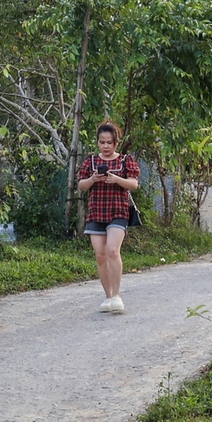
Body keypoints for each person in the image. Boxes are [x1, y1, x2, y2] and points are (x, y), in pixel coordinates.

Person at [77, 121, 141, 315]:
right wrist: (93, 179)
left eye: (109, 142)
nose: (105, 146)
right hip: (96, 211)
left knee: (112, 250)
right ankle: (108, 295)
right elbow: (81, 185)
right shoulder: (90, 161)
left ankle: (117, 295)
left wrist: (117, 179)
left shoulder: (125, 160)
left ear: (116, 143)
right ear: (97, 142)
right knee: (100, 254)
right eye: (102, 142)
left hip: (118, 211)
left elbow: (133, 184)